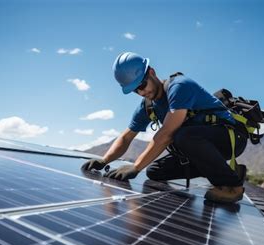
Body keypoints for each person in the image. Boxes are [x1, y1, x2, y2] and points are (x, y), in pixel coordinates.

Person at [81, 52, 247, 203]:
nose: (141, 92)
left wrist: (136, 166)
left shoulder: (179, 86)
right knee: (154, 171)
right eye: (135, 90)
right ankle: (225, 170)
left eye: (142, 85)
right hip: (202, 145)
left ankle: (232, 186)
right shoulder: (148, 106)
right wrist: (104, 160)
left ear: (151, 72)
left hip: (230, 137)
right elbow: (126, 137)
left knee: (182, 135)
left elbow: (167, 133)